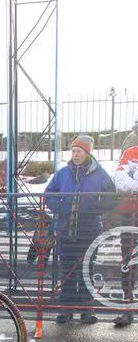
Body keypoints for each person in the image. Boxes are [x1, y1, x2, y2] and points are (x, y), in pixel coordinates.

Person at [44, 134, 115, 324]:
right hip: (66, 228)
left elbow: (112, 197)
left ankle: (86, 310)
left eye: (78, 151)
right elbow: (49, 194)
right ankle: (66, 310)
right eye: (73, 151)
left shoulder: (100, 173)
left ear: (87, 152)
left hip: (89, 229)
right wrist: (61, 208)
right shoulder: (63, 172)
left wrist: (96, 209)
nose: (75, 154)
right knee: (67, 271)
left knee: (86, 270)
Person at [112, 144, 138, 326]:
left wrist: (133, 182)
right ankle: (127, 309)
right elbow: (119, 179)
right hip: (129, 214)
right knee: (128, 261)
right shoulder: (130, 152)